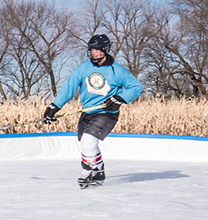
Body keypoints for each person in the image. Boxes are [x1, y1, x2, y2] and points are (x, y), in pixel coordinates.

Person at [43, 34, 143, 189]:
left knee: (89, 140)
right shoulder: (84, 68)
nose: (95, 53)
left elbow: (136, 87)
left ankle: (90, 170)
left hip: (106, 113)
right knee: (85, 144)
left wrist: (119, 99)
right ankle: (98, 170)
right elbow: (69, 88)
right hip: (87, 112)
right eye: (92, 50)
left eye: (98, 49)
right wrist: (53, 107)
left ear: (106, 49)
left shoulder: (117, 70)